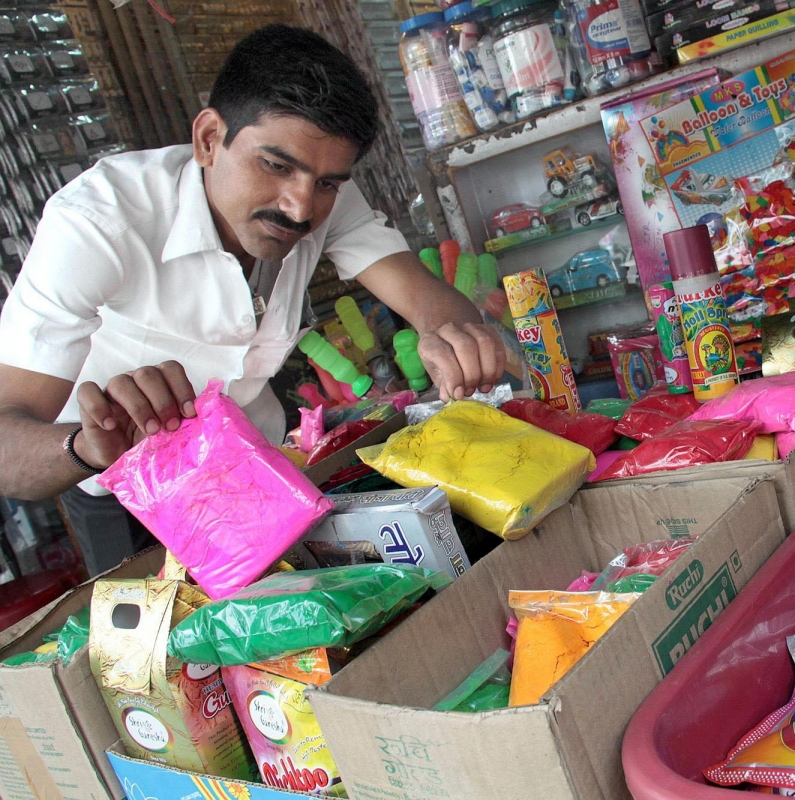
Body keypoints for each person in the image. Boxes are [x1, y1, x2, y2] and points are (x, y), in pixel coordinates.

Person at [0, 25, 505, 574]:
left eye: (327, 182)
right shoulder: (100, 220)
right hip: (129, 493)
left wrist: (450, 329)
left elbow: (425, 297)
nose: (299, 208)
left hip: (258, 470)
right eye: (275, 166)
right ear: (209, 138)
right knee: (171, 654)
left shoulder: (322, 192)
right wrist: (84, 446)